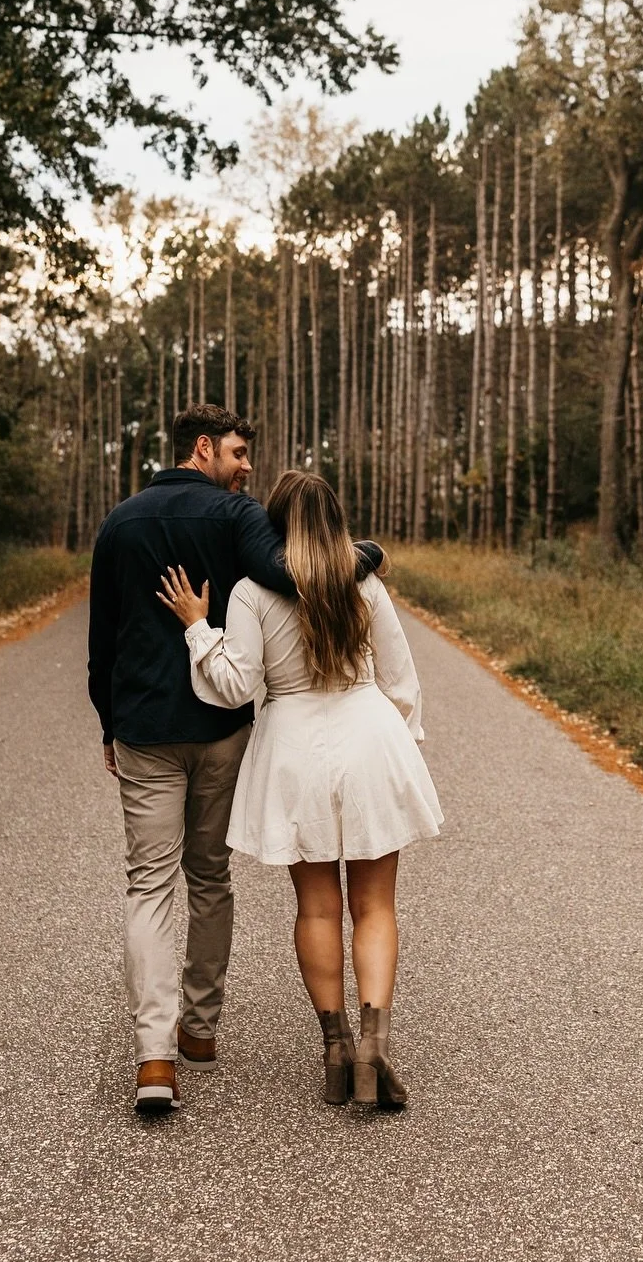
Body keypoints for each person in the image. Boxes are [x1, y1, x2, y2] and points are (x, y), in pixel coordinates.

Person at [88, 406, 380, 1118]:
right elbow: (299, 575)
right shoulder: (238, 518)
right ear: (203, 448)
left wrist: (108, 722)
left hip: (144, 728)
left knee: (149, 883)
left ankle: (154, 1055)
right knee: (208, 875)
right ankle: (201, 1027)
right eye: (240, 452)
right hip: (220, 729)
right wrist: (367, 555)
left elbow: (103, 639)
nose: (248, 466)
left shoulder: (120, 524)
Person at [158, 469, 441, 1111]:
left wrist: (199, 627)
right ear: (338, 520)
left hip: (293, 747)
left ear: (273, 525)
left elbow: (235, 685)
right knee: (375, 906)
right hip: (368, 736)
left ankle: (336, 1047)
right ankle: (374, 1045)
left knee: (316, 908)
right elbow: (400, 680)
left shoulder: (254, 590)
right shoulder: (364, 580)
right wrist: (402, 750)